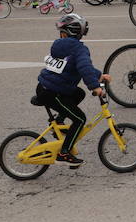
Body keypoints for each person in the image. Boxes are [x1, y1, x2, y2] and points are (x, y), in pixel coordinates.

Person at [36, 13, 112, 167]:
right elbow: (83, 66)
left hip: (45, 88)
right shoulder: (79, 49)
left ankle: (59, 121)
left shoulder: (59, 45)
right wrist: (95, 87)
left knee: (79, 93)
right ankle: (64, 153)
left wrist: (98, 76)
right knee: (80, 119)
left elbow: (79, 66)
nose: (61, 34)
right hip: (53, 93)